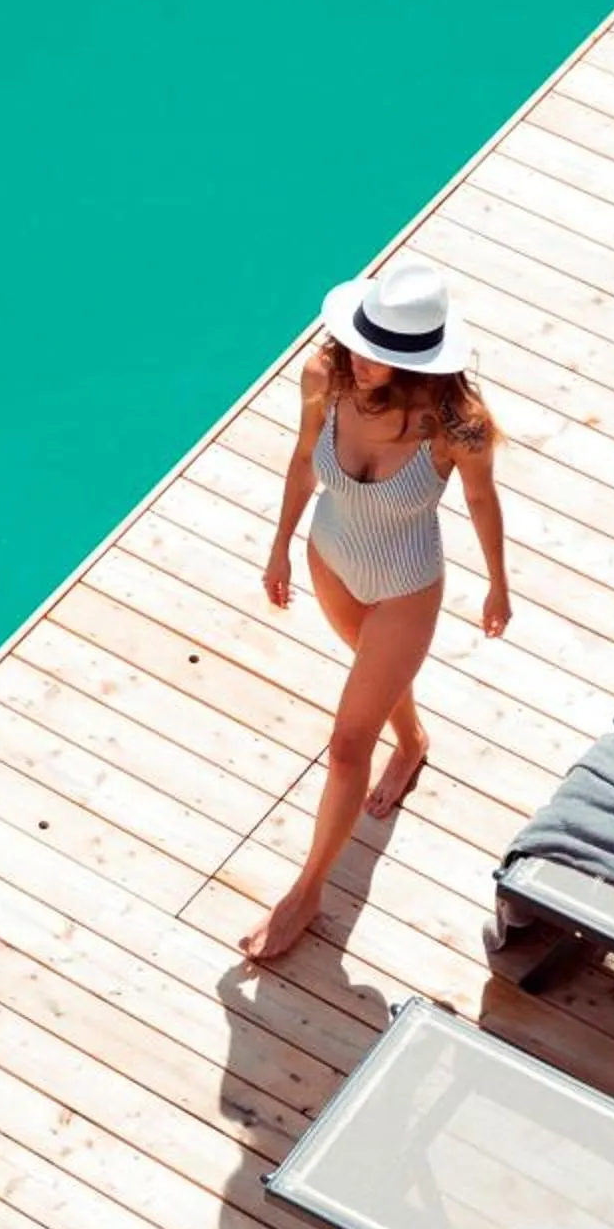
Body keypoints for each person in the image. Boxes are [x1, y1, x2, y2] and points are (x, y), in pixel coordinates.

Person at [241, 258, 508, 962]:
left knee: (346, 744)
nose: (362, 362)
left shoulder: (459, 428)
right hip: (331, 561)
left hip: (404, 587)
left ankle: (307, 891)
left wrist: (498, 582)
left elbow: (481, 500)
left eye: (381, 355)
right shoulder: (322, 380)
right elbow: (304, 461)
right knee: (375, 682)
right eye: (361, 343)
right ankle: (415, 743)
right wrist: (279, 546)